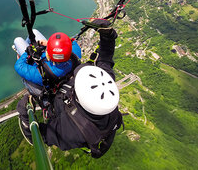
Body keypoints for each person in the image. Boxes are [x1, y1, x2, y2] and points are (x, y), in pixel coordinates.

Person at [17, 19, 123, 158]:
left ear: (78, 96)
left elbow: (36, 137)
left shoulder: (71, 131)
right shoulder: (103, 82)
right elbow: (105, 59)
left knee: (21, 41)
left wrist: (24, 114)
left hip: (51, 97)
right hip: (58, 85)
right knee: (27, 38)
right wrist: (107, 35)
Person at [13, 29, 82, 99]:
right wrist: (50, 44)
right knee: (33, 32)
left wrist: (27, 52)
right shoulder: (75, 54)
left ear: (49, 55)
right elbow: (71, 41)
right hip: (51, 62)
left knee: (17, 40)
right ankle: (26, 46)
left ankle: (19, 51)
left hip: (35, 62)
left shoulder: (42, 74)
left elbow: (19, 65)